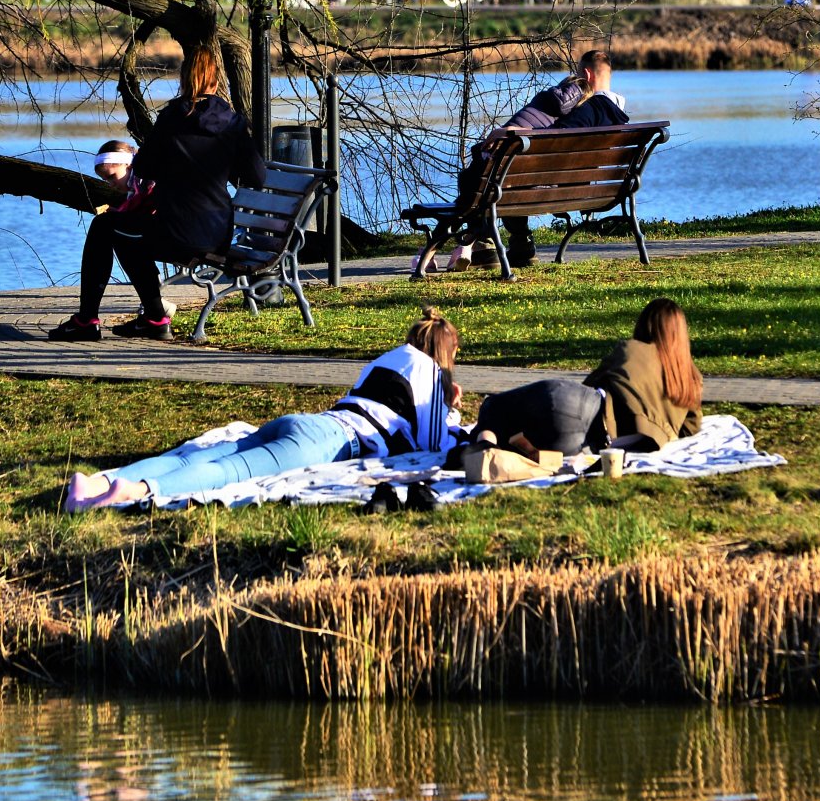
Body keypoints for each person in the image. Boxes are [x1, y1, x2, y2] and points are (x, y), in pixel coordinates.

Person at [65, 309, 464, 509]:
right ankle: (134, 492)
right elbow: (433, 446)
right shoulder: (428, 370)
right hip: (335, 441)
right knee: (229, 473)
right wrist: (451, 410)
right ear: (445, 352)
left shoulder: (385, 360)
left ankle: (98, 483)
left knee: (204, 455)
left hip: (310, 422)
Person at [50, 45, 264, 341]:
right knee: (126, 235)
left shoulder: (171, 119)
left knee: (105, 226)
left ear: (184, 80)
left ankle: (89, 320)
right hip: (217, 233)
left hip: (176, 231)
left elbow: (145, 169)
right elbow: (256, 176)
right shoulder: (234, 124)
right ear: (215, 83)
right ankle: (153, 319)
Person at [469, 298, 703, 457]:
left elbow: (590, 384)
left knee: (494, 407)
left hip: (579, 405)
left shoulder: (633, 349)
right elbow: (690, 427)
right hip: (590, 444)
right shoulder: (689, 379)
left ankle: (484, 446)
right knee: (523, 438)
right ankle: (490, 450)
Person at [450, 50, 615, 269]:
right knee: (508, 177)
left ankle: (485, 245)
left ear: (586, 74)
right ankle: (519, 247)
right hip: (565, 188)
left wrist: (510, 130)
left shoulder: (576, 105)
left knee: (483, 178)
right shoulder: (602, 115)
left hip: (532, 181)